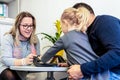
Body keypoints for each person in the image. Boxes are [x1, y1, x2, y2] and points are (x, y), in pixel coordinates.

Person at [41, 7, 99, 79]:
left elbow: (48, 55)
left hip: (83, 76)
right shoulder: (85, 34)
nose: (61, 28)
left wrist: (41, 58)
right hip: (98, 75)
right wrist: (68, 63)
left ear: (65, 23)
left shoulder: (65, 38)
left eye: (61, 25)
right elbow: (84, 56)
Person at [67, 2, 120, 80]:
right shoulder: (90, 30)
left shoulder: (104, 22)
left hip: (115, 73)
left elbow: (117, 53)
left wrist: (83, 69)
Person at [0, 11, 40, 80]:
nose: (29, 28)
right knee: (10, 76)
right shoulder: (8, 38)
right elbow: (5, 59)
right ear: (18, 26)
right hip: (8, 69)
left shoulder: (35, 39)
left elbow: (38, 58)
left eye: (31, 25)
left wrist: (41, 59)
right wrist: (24, 61)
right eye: (25, 25)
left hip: (25, 71)